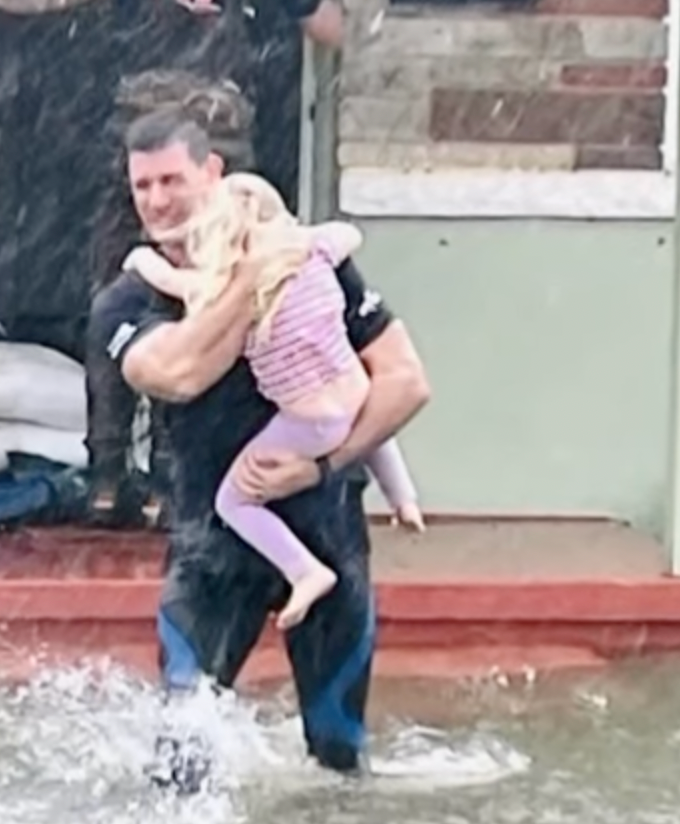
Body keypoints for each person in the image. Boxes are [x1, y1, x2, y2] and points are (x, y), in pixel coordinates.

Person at [0, 0, 346, 529]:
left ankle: (107, 477)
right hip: (222, 152)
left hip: (142, 140)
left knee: (118, 297)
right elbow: (331, 29)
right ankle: (180, 480)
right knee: (208, 310)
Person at [88, 110, 432, 786]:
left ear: (213, 174)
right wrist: (249, 279)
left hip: (326, 536)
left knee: (339, 770)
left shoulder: (307, 262)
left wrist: (323, 464)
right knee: (180, 768)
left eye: (171, 181)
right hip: (213, 545)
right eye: (141, 186)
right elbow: (180, 374)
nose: (156, 201)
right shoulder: (128, 300)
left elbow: (404, 381)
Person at [121, 172, 423, 630]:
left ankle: (305, 571)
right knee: (372, 417)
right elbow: (350, 234)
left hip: (311, 422)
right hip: (353, 393)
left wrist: (142, 258)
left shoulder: (231, 287)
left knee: (234, 503)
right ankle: (405, 499)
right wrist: (299, 239)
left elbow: (176, 284)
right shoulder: (316, 251)